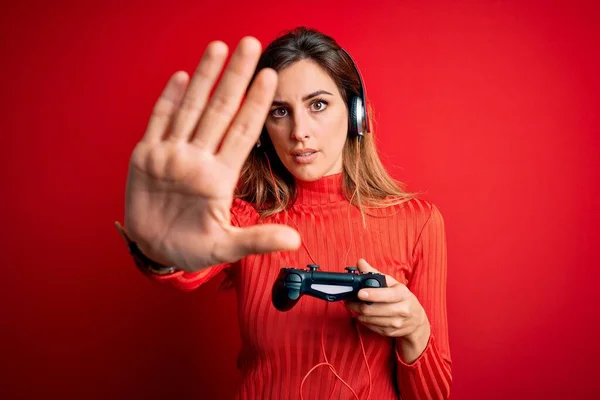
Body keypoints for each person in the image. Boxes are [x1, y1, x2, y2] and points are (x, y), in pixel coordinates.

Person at [116, 27, 452, 400]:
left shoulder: (418, 221)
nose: (299, 132)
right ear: (263, 130)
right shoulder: (243, 221)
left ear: (355, 113)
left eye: (318, 104)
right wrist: (160, 253)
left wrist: (416, 330)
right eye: (280, 111)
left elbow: (431, 396)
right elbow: (185, 266)